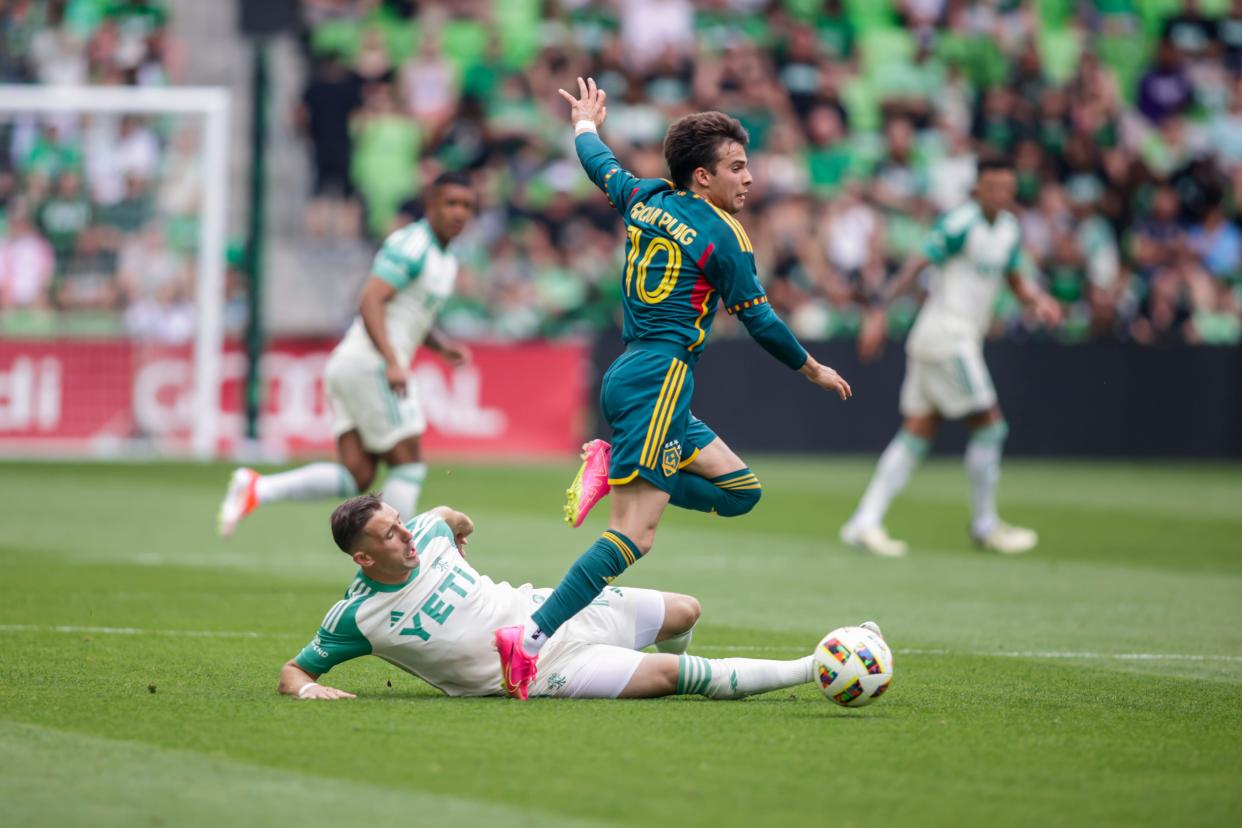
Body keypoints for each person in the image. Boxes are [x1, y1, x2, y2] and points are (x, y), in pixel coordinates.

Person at [492, 78, 853, 700]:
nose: (748, 178)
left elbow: (599, 165)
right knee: (635, 535)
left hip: (640, 376)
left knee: (741, 491)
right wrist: (811, 369)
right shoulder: (727, 237)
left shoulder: (645, 198)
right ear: (703, 178)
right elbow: (760, 318)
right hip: (659, 379)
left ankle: (612, 466)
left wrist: (583, 124)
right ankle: (528, 639)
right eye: (736, 167)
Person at [278, 495, 863, 702]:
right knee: (667, 676)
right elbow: (294, 670)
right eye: (389, 535)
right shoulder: (359, 617)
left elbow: (452, 517)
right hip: (537, 670)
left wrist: (459, 534)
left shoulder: (426, 531)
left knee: (686, 611)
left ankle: (660, 654)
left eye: (401, 523)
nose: (406, 535)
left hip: (551, 607)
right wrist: (308, 688)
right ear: (362, 558)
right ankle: (818, 666)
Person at [218, 173, 476, 537]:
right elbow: (370, 299)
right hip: (370, 364)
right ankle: (405, 560)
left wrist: (440, 345)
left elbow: (410, 315)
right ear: (431, 204)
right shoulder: (412, 245)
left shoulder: (444, 258)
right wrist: (392, 361)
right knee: (408, 462)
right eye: (451, 203)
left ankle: (257, 489)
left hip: (351, 365)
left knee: (357, 474)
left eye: (467, 205)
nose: (459, 212)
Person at [842, 156, 1063, 557]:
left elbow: (1014, 278)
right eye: (992, 187)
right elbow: (916, 262)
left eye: (1006, 188)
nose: (1000, 195)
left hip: (942, 340)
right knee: (990, 426)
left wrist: (1038, 299)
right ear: (977, 189)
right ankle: (985, 525)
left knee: (917, 432)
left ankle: (865, 520)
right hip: (948, 337)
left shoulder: (1009, 229)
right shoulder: (960, 224)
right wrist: (879, 311)